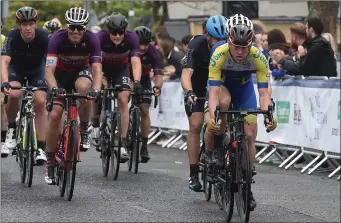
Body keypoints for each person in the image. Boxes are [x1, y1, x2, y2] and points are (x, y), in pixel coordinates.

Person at [205, 14, 277, 211]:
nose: (239, 51)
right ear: (228, 40)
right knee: (224, 104)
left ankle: (246, 182)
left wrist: (269, 116)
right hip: (222, 88)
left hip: (244, 90)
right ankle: (216, 151)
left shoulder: (258, 57)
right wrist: (214, 118)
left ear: (251, 43)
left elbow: (263, 92)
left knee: (250, 134)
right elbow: (213, 94)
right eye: (235, 46)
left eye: (244, 47)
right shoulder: (218, 53)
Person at [44, 6, 102, 184]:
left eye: (80, 28)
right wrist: (54, 87)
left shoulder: (92, 39)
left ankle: (83, 129)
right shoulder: (57, 38)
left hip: (80, 73)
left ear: (85, 28)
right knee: (55, 115)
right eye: (72, 28)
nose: (76, 32)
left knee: (84, 89)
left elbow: (97, 70)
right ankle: (51, 161)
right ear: (67, 27)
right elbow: (48, 71)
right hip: (59, 76)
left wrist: (97, 89)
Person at [181, 15, 227, 192]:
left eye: (222, 39)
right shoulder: (197, 44)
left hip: (218, 86)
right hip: (198, 87)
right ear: (207, 35)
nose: (218, 42)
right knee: (196, 124)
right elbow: (186, 74)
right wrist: (189, 92)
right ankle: (193, 173)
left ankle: (221, 154)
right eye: (215, 38)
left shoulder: (227, 46)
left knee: (224, 120)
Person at [91, 12, 143, 163]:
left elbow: (135, 62)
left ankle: (123, 142)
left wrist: (138, 81)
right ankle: (95, 121)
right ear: (108, 31)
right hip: (103, 70)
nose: (118, 36)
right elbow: (94, 62)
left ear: (125, 31)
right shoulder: (100, 38)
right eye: (114, 33)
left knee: (123, 98)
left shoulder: (132, 37)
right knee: (99, 92)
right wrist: (101, 80)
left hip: (121, 70)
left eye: (121, 32)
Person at [1, 6, 49, 163]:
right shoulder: (12, 36)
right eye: (24, 24)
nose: (28, 28)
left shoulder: (44, 36)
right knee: (14, 94)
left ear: (36, 24)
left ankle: (41, 147)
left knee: (41, 102)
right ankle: (12, 130)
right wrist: (4, 82)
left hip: (37, 70)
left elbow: (52, 61)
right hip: (17, 70)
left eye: (31, 24)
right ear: (19, 25)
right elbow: (4, 61)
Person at [133, 26, 163, 162]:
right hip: (129, 77)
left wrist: (157, 86)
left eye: (146, 44)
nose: (143, 47)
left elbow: (158, 75)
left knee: (144, 110)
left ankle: (144, 145)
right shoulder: (130, 49)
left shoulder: (153, 52)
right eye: (140, 43)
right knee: (124, 97)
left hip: (144, 80)